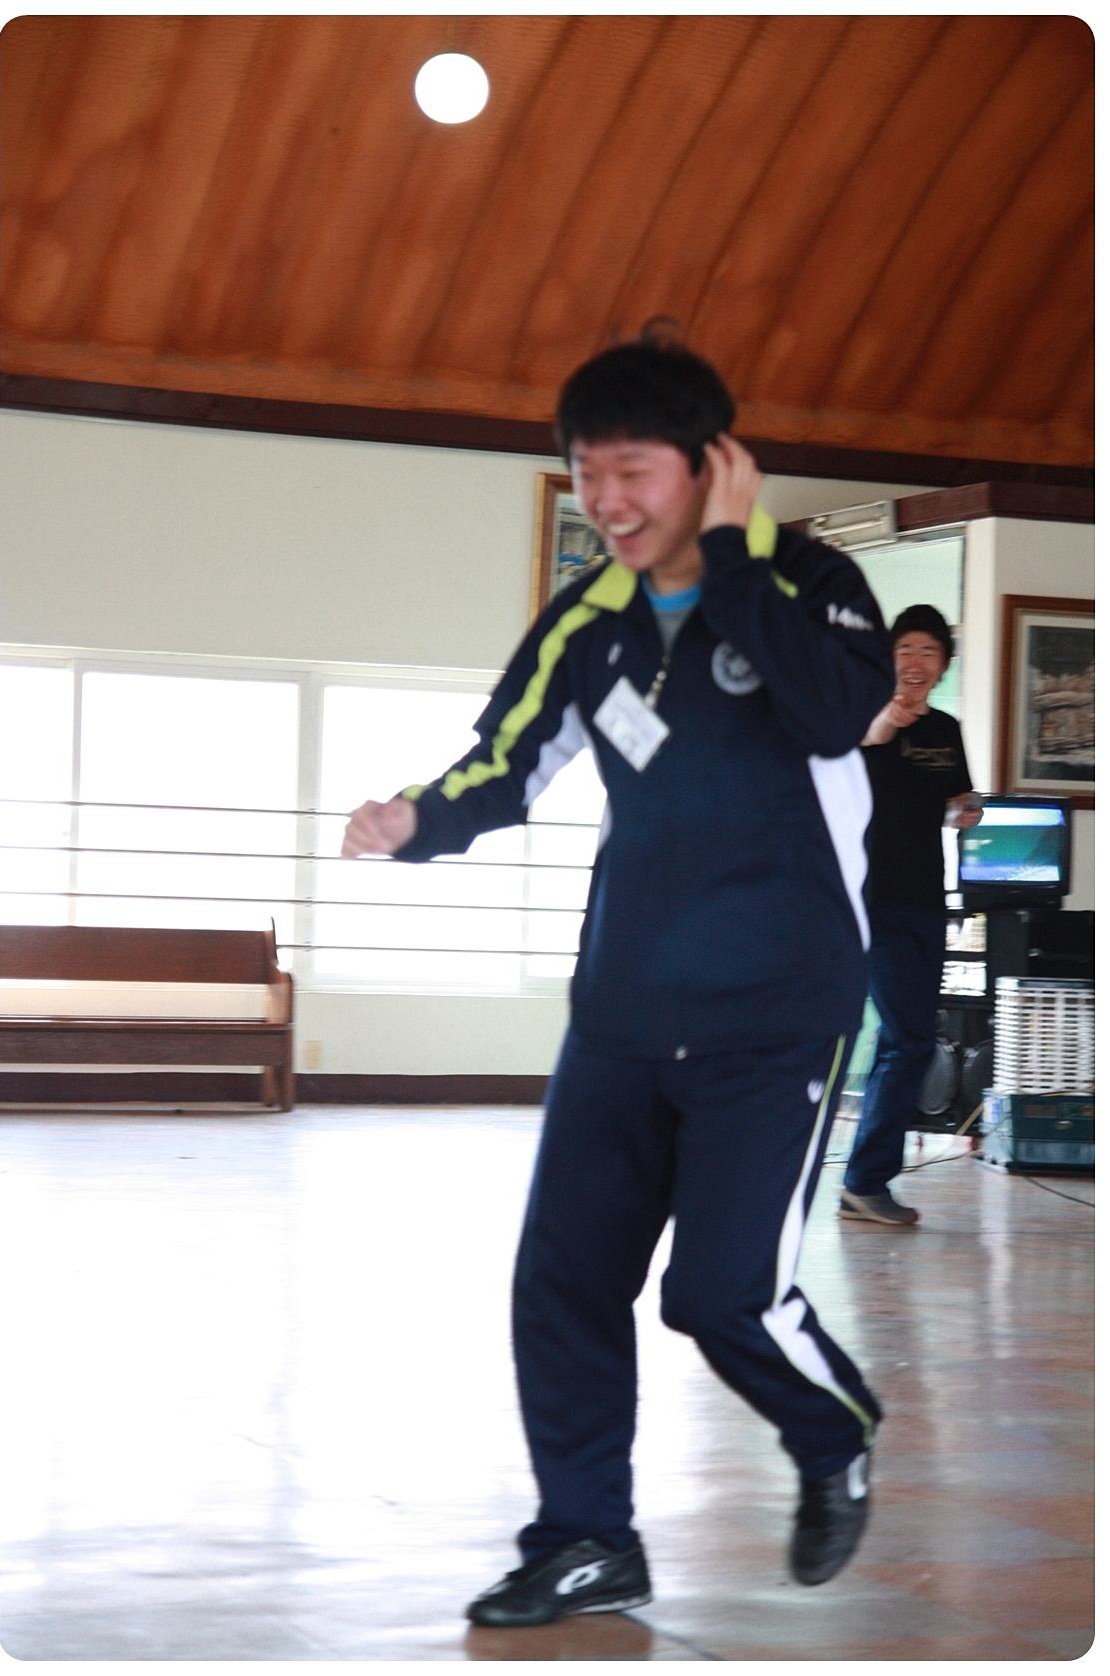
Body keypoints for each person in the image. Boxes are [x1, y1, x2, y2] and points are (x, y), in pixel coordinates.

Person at [342, 335, 895, 1626]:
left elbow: (828, 713)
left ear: (710, 464)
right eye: (586, 474)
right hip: (624, 1011)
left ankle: (832, 1435)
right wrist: (415, 819)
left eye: (630, 471)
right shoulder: (588, 618)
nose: (605, 501)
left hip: (775, 1012)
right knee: (563, 1280)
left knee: (719, 1296)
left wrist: (739, 558)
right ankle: (586, 1536)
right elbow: (507, 757)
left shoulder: (812, 583)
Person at [840, 605, 980, 1226]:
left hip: (927, 900)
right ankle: (864, 1180)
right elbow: (863, 740)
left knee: (903, 1038)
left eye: (928, 651)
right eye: (905, 649)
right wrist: (885, 720)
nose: (915, 662)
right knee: (911, 1041)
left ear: (942, 665)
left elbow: (954, 801)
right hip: (873, 900)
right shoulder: (863, 715)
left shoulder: (946, 730)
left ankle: (863, 1180)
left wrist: (965, 811)